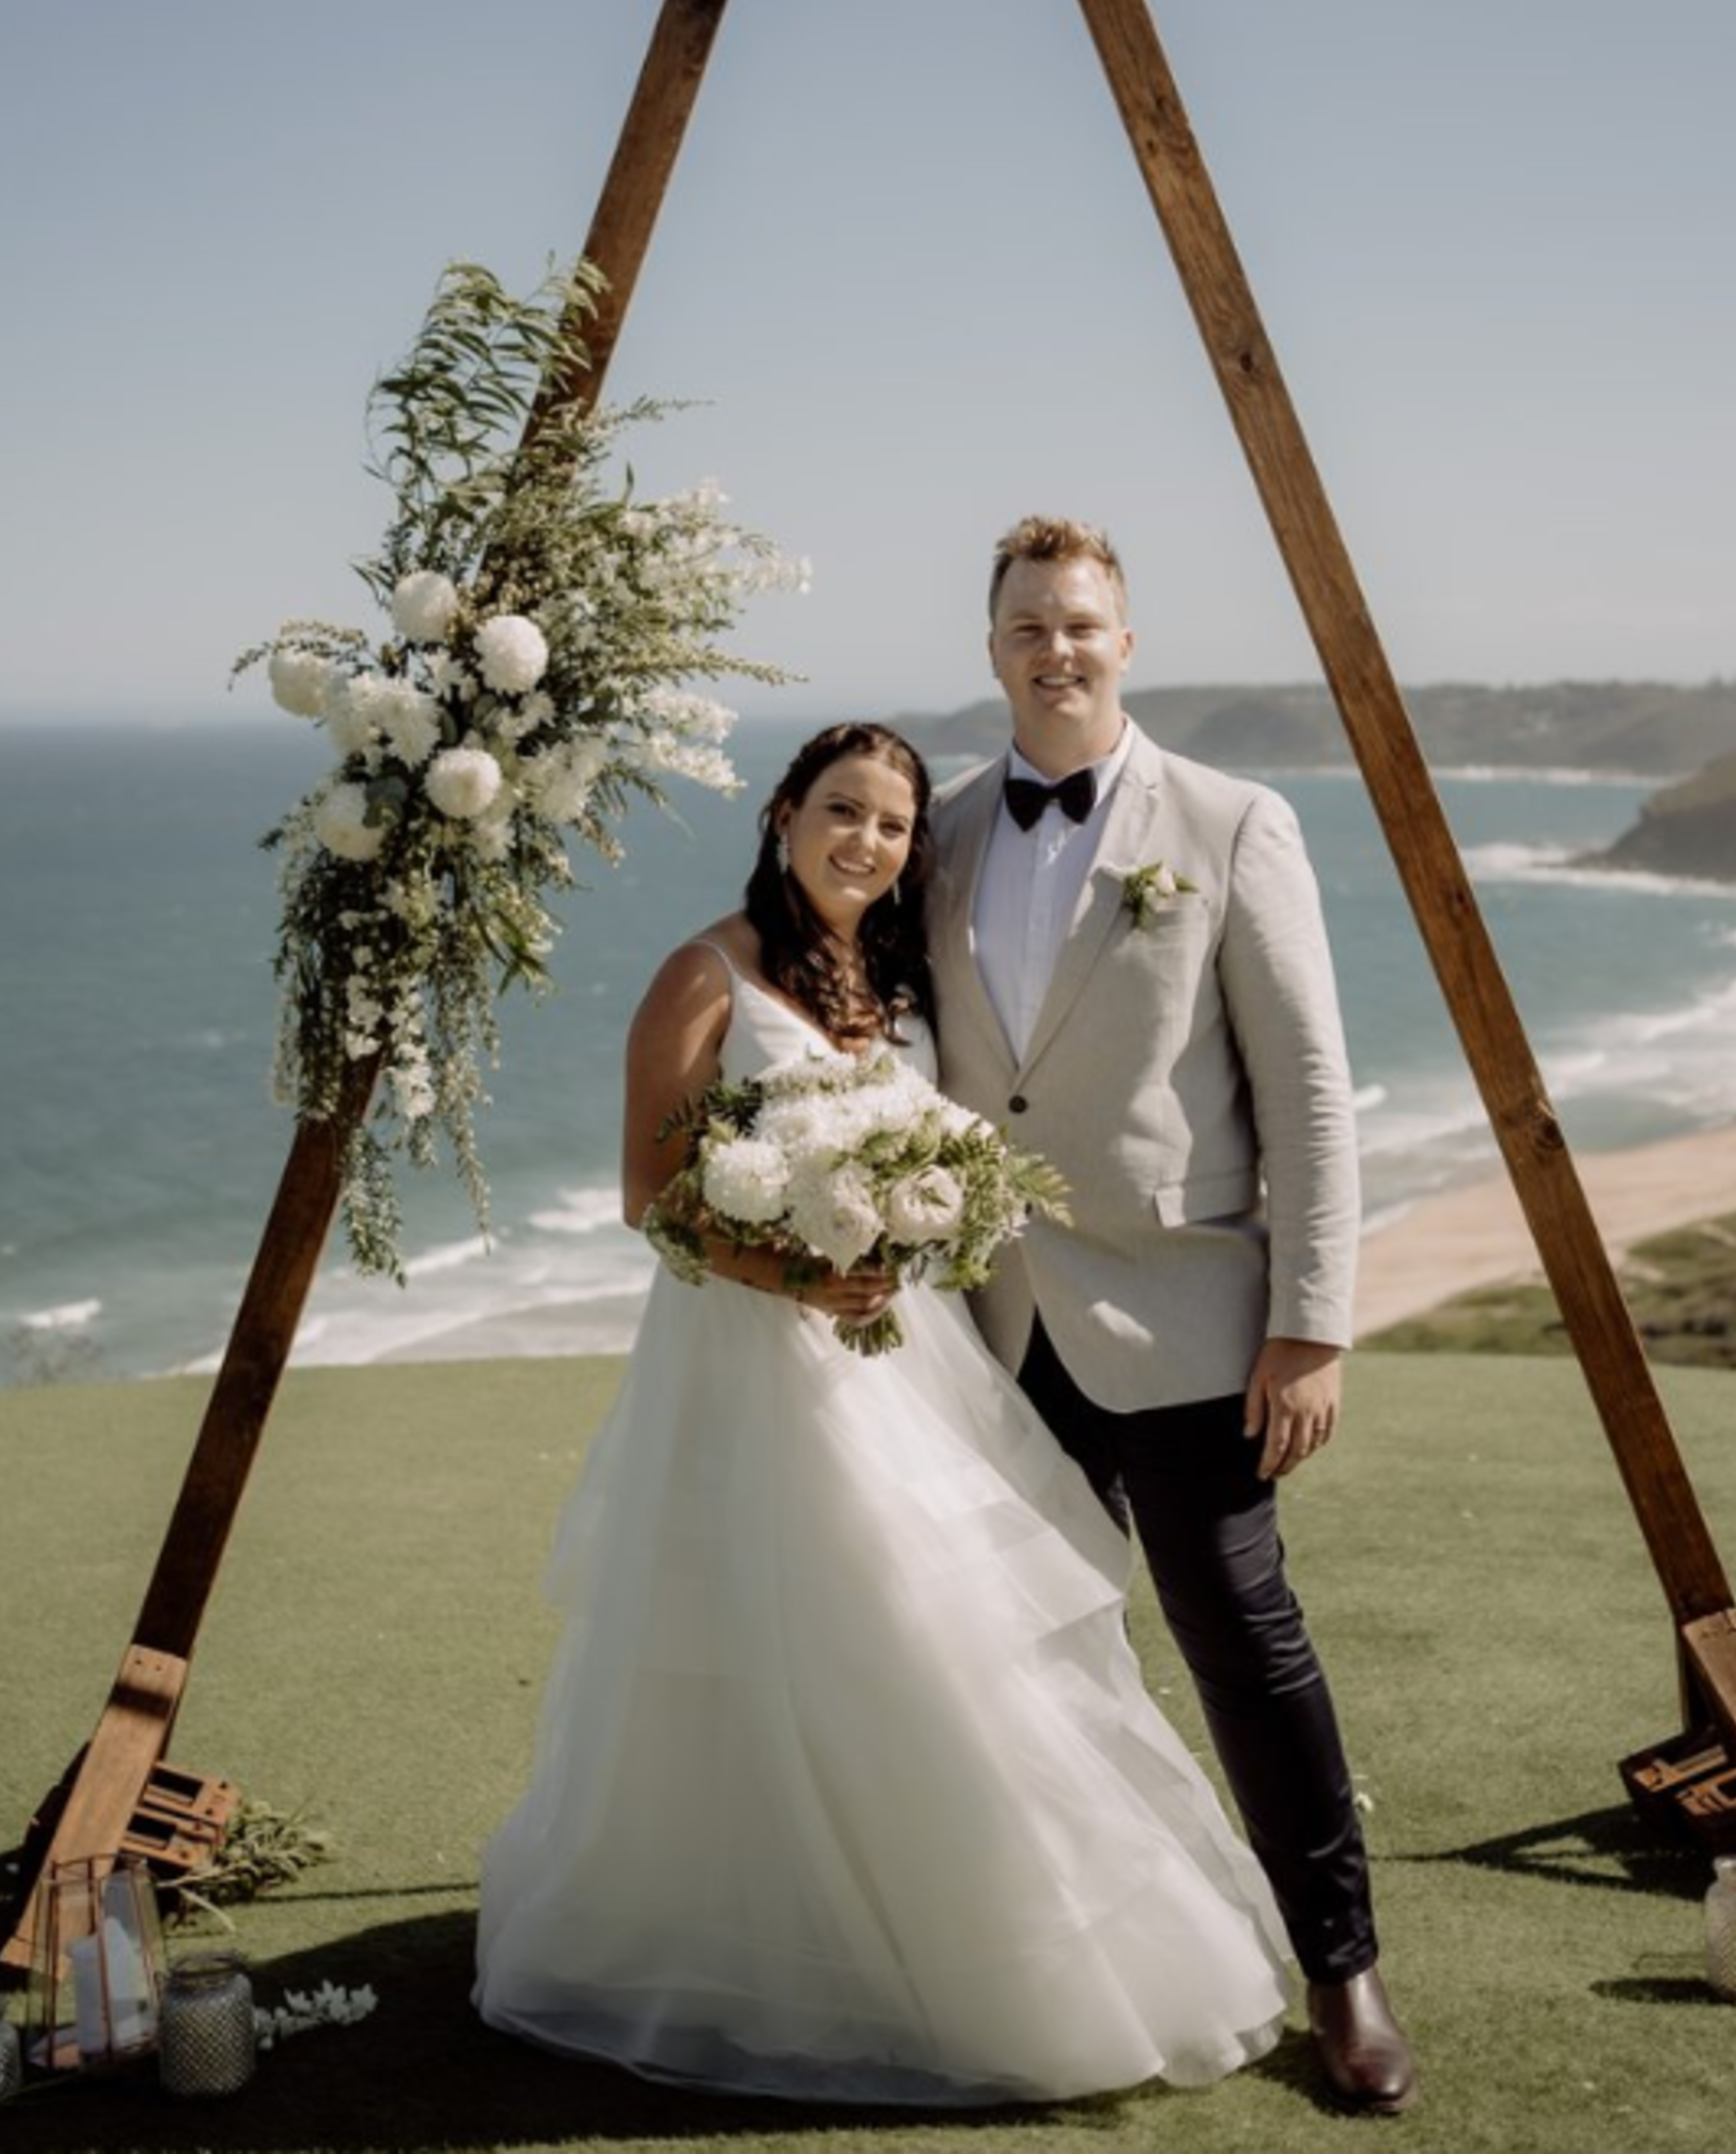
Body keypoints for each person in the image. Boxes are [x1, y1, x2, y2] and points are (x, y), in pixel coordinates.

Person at [474, 721, 1295, 2106]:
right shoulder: (705, 972)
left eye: (896, 825)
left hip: (909, 1357)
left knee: (937, 1634)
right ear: (785, 813)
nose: (867, 841)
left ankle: (973, 1938)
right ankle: (781, 1948)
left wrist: (909, 1244)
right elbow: (651, 1194)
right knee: (813, 1637)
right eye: (841, 810)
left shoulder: (898, 984)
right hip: (757, 1366)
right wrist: (798, 1272)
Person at [927, 520, 1418, 2117]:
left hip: (1194, 1319)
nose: (1053, 650)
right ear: (990, 645)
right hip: (995, 1326)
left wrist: (1314, 1321)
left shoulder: (1229, 820)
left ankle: (1340, 1967)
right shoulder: (932, 832)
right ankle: (1063, 1959)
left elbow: (1312, 1092)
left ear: (1126, 641)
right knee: (1017, 1656)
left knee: (1243, 1646)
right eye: (1025, 627)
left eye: (1079, 624)